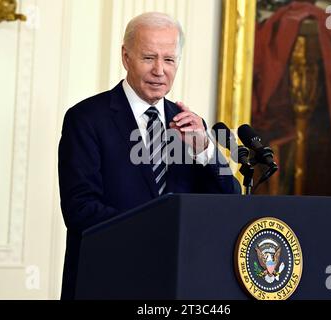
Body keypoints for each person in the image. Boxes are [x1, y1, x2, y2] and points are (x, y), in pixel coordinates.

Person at [58, 12, 240, 300]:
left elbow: (230, 201)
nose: (159, 70)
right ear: (125, 56)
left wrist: (205, 150)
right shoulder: (86, 118)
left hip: (176, 286)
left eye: (169, 60)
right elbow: (80, 208)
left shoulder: (189, 124)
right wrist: (156, 234)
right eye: (148, 58)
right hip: (108, 281)